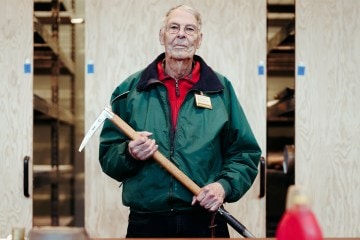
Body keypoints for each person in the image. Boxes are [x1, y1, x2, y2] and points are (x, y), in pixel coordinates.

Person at [99, 4, 261, 238]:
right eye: (173, 27)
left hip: (205, 221)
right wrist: (130, 153)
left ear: (199, 39)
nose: (181, 35)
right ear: (161, 35)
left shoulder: (220, 90)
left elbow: (245, 153)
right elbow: (108, 157)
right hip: (146, 223)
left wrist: (223, 186)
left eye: (190, 29)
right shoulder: (130, 91)